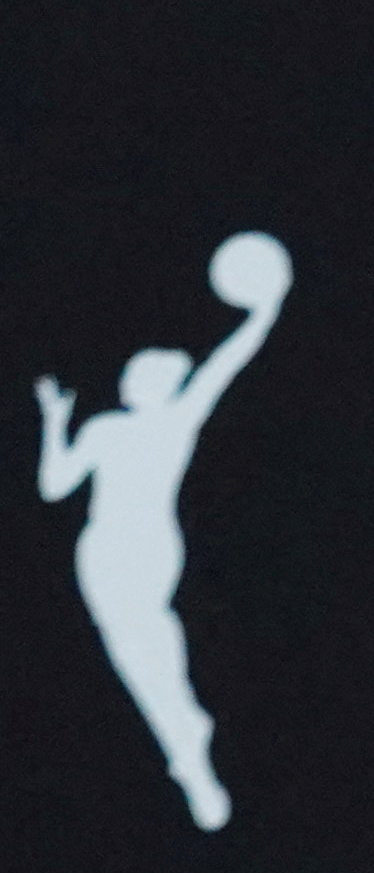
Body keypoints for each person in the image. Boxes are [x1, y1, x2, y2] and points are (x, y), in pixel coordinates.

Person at [36, 230, 289, 833]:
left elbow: (224, 365)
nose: (129, 377)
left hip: (134, 546)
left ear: (155, 384)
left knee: (135, 641)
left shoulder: (171, 421)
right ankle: (183, 726)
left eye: (139, 372)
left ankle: (184, 744)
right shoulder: (112, 428)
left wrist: (266, 312)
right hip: (111, 549)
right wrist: (54, 421)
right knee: (140, 638)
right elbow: (52, 487)